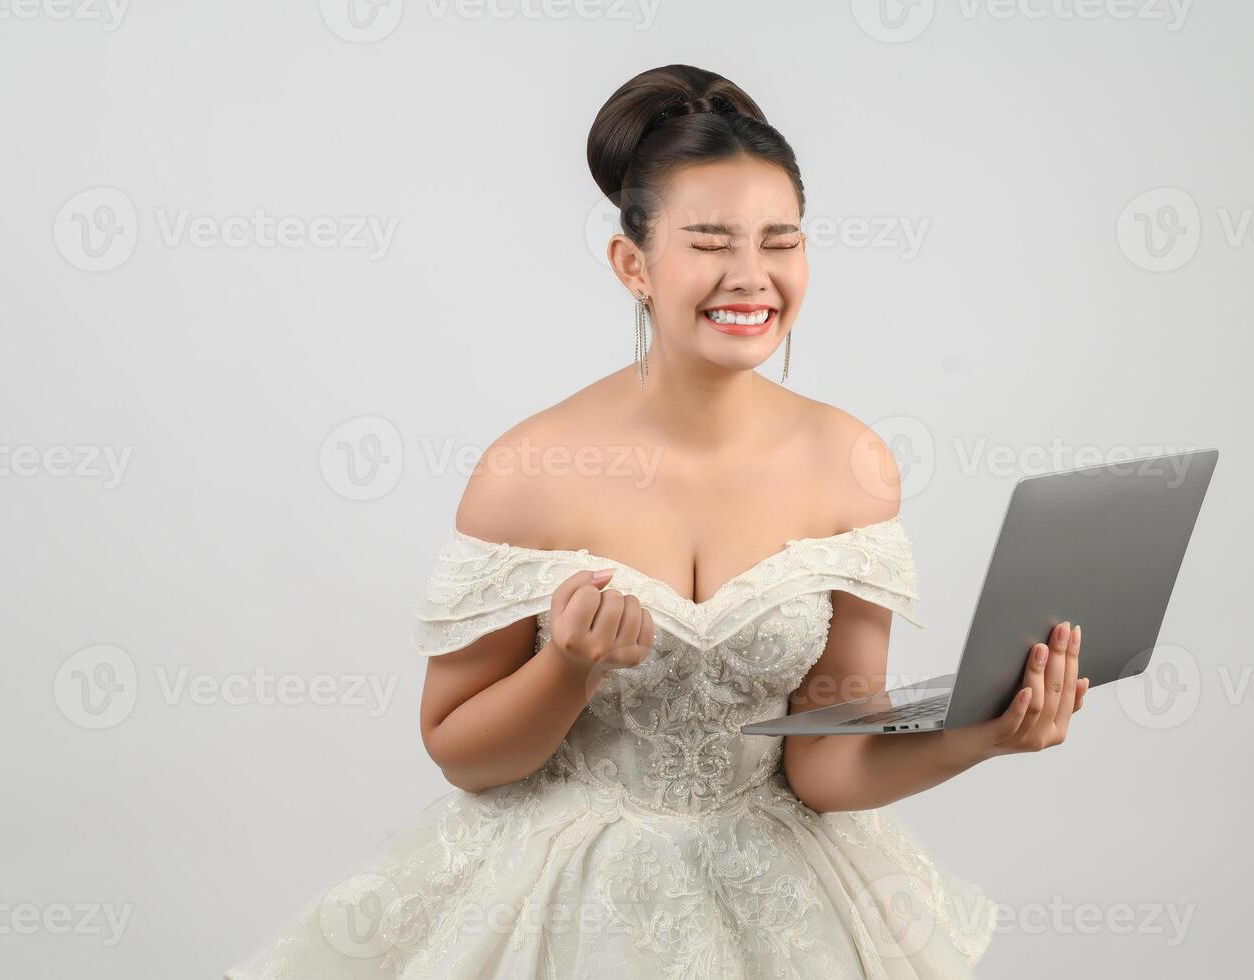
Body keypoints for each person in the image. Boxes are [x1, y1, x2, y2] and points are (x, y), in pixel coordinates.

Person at [225, 63, 1088, 979]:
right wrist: (566, 666)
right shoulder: (528, 470)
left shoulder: (852, 464)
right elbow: (463, 756)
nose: (750, 277)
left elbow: (825, 767)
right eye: (709, 242)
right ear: (632, 264)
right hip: (567, 902)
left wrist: (982, 736)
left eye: (780, 241)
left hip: (776, 897)